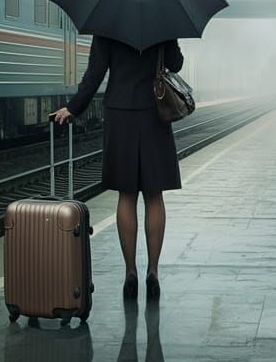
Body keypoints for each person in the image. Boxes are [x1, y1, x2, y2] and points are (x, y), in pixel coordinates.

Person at [50, 35, 184, 300]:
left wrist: (73, 108)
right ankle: (153, 273)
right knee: (154, 194)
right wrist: (171, 42)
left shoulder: (108, 26)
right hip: (153, 114)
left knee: (126, 194)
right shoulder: (163, 21)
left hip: (120, 113)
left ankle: (130, 273)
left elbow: (95, 74)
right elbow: (176, 64)